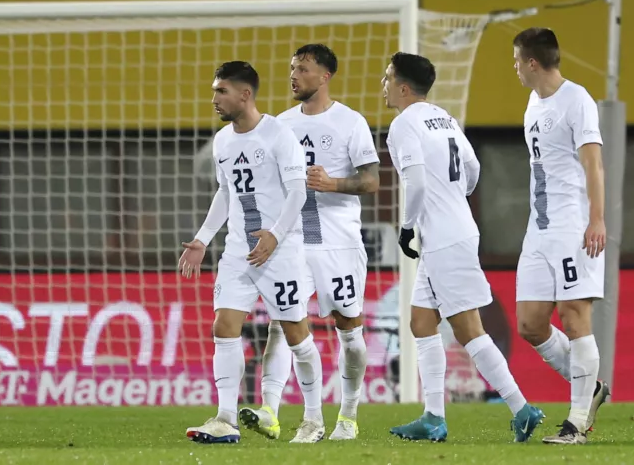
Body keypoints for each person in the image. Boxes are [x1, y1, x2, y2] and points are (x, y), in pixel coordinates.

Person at [382, 51, 545, 443]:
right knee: (421, 323)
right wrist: (453, 198)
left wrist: (407, 228)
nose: (383, 85)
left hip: (441, 238)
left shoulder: (403, 125)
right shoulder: (446, 118)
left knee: (469, 330)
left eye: (387, 78)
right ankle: (433, 416)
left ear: (404, 87)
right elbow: (472, 169)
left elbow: (417, 184)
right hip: (456, 230)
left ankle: (522, 408)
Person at [238, 44, 380, 442]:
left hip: (338, 243)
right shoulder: (278, 124)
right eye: (291, 68)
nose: (293, 75)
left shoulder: (350, 122)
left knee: (348, 328)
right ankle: (276, 410)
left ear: (325, 76)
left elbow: (372, 180)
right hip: (293, 242)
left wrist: (333, 183)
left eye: (302, 68)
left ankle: (348, 416)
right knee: (283, 326)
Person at [179, 61, 321, 445]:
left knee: (296, 335)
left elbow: (298, 192)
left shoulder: (278, 135)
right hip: (240, 250)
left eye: (221, 91)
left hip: (280, 252)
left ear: (245, 94)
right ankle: (226, 419)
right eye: (214, 91)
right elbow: (226, 193)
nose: (214, 99)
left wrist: (275, 235)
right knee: (223, 327)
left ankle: (313, 419)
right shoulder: (223, 141)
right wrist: (203, 239)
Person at [510, 27, 610, 445]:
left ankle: (577, 422)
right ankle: (592, 389)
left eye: (516, 60)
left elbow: (594, 165)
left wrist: (598, 220)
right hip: (539, 228)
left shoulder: (577, 99)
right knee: (531, 324)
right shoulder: (533, 103)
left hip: (573, 225)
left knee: (573, 315)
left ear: (533, 62)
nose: (513, 67)